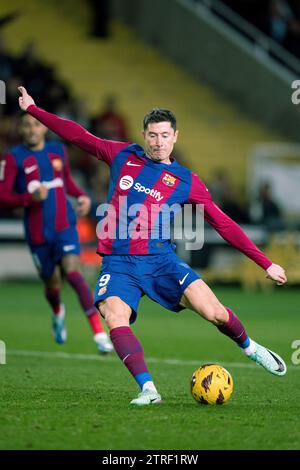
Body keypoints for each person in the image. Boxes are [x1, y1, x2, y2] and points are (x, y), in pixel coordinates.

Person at [18, 86, 287, 406]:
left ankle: (251, 349)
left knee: (214, 312)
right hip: (119, 262)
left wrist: (265, 262)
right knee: (113, 315)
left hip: (161, 260)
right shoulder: (122, 155)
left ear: (175, 137)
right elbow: (78, 135)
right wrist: (34, 110)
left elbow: (223, 224)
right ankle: (148, 389)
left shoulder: (187, 180)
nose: (158, 142)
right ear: (144, 136)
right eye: (152, 135)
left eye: (164, 135)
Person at [0, 111, 113, 354]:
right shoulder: (13, 158)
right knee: (52, 284)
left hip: (65, 226)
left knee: (73, 273)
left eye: (36, 125)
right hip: (39, 233)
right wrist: (29, 197)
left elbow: (66, 181)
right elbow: (3, 197)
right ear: (21, 130)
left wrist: (81, 195)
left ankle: (99, 333)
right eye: (27, 125)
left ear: (44, 128)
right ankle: (57, 311)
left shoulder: (57, 151)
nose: (32, 129)